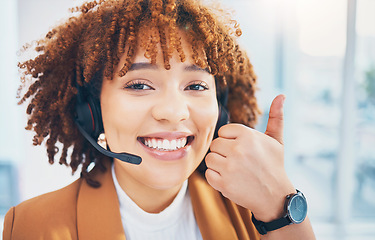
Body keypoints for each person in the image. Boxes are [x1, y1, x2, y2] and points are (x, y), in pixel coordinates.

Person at [3, 0, 316, 239]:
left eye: (195, 86)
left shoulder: (254, 212)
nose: (174, 111)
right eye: (139, 85)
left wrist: (280, 206)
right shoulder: (31, 225)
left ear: (220, 111)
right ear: (91, 112)